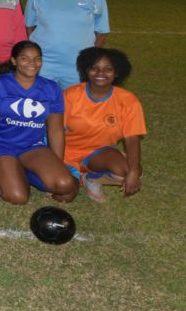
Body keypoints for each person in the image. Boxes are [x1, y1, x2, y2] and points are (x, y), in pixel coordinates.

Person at [0, 40, 78, 205]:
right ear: (14, 61)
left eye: (37, 59)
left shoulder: (51, 88)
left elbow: (55, 131)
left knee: (64, 186)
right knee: (18, 197)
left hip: (32, 146)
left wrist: (57, 165)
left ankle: (25, 171)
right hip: (2, 146)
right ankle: (12, 170)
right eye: (25, 58)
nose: (32, 64)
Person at [62, 47, 145, 202]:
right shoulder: (71, 95)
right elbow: (55, 132)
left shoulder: (128, 101)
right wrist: (55, 160)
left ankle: (92, 178)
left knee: (130, 171)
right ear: (86, 70)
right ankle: (73, 176)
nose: (101, 73)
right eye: (95, 68)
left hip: (97, 154)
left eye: (108, 69)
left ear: (117, 72)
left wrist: (133, 171)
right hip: (65, 153)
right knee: (63, 195)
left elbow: (132, 139)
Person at [24, 0, 110, 89]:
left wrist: (90, 57)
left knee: (73, 106)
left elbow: (102, 31)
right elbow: (29, 26)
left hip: (76, 65)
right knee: (41, 105)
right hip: (44, 64)